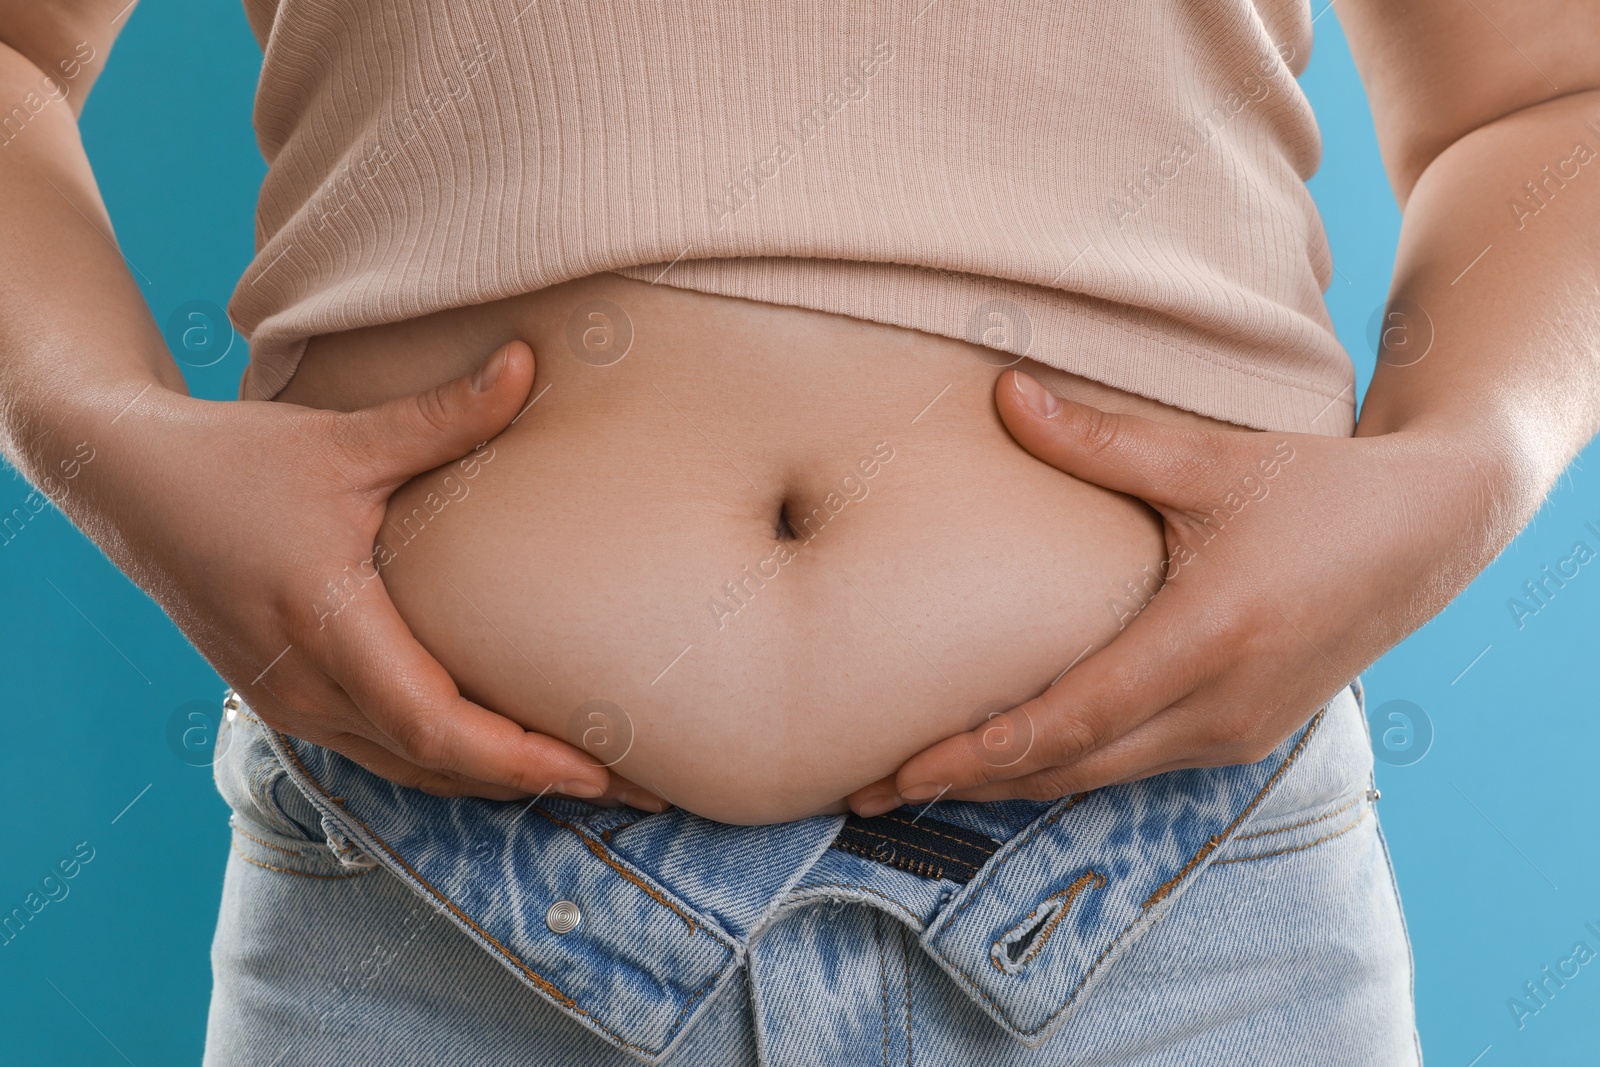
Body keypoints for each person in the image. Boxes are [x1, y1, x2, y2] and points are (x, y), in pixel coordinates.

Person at [2, 0, 1595, 1062]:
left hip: (1175, 922)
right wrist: (104, 437)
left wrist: (1473, 460)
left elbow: (1548, 91)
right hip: (439, 922)